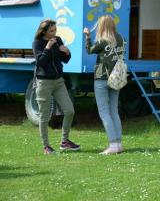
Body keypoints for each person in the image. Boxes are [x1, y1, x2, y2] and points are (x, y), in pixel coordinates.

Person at [32, 19, 80, 154]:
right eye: (51, 31)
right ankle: (46, 146)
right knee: (44, 116)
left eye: (55, 30)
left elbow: (65, 60)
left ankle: (64, 142)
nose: (54, 33)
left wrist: (66, 51)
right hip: (44, 83)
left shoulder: (57, 40)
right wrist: (47, 47)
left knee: (69, 111)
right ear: (44, 31)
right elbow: (41, 62)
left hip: (59, 82)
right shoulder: (37, 43)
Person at [84, 15, 125, 154]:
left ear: (101, 26)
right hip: (116, 78)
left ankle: (113, 145)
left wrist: (87, 37)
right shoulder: (120, 39)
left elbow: (89, 50)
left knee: (104, 112)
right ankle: (118, 143)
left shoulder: (102, 41)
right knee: (114, 110)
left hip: (102, 78)